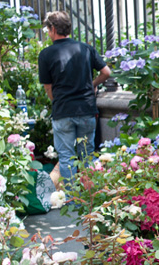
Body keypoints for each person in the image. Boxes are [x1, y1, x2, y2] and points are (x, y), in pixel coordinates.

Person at [38, 11, 111, 182]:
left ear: (53, 29)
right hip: (86, 109)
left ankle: (72, 200)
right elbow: (106, 72)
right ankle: (90, 196)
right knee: (87, 156)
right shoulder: (85, 48)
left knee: (66, 157)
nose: (48, 33)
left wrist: (55, 101)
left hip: (63, 110)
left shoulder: (46, 54)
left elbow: (48, 87)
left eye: (48, 29)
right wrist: (92, 85)